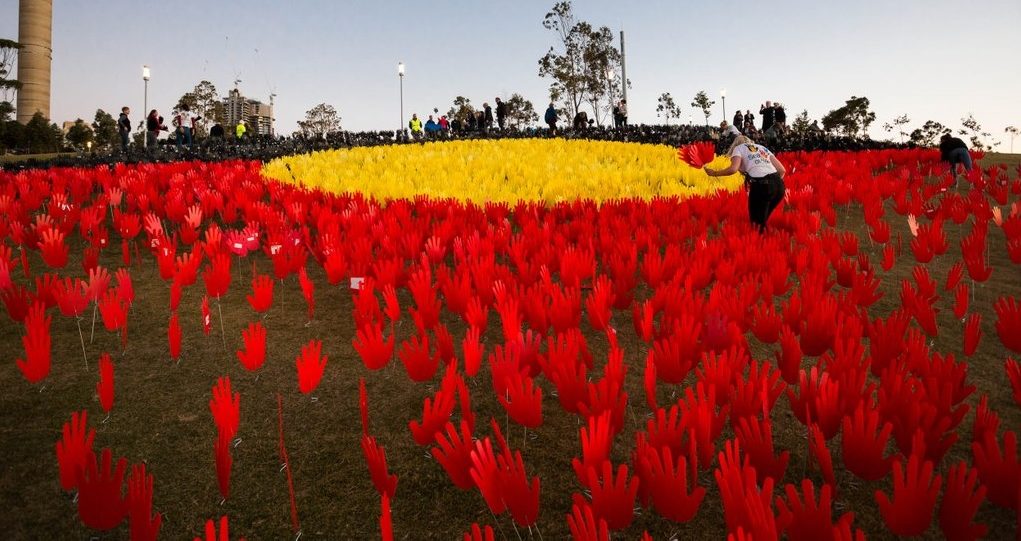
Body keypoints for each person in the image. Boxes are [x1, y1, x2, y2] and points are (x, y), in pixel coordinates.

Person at [703, 135, 787, 232]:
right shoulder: (762, 148)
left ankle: (761, 244)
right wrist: (772, 184)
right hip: (779, 186)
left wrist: (714, 173)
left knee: (757, 225)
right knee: (762, 222)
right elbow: (782, 170)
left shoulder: (738, 149)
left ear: (735, 144)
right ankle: (768, 242)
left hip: (761, 185)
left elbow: (733, 169)